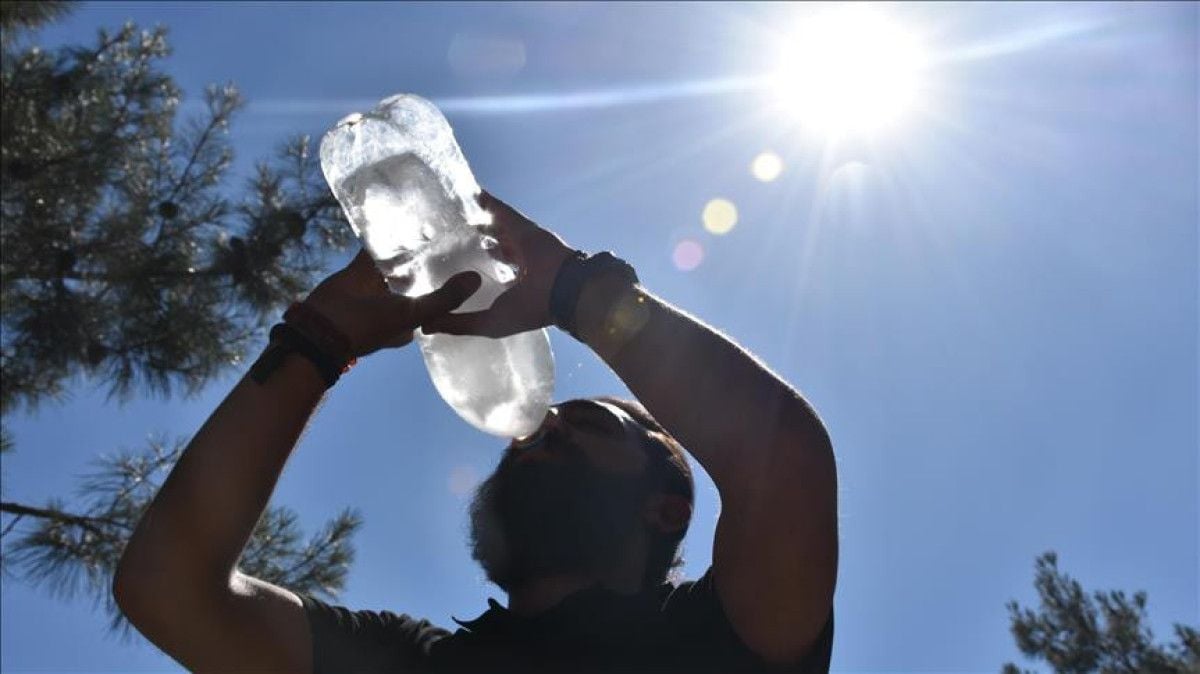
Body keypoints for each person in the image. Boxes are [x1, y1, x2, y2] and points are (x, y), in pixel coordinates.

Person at [113, 191, 839, 673]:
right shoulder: (412, 663)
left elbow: (786, 465)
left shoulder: (721, 641)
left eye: (589, 423)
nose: (540, 425)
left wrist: (576, 292)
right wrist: (319, 339)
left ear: (667, 509)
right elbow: (170, 588)